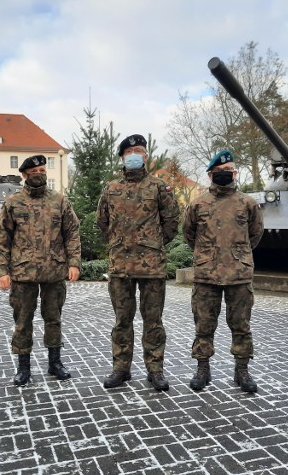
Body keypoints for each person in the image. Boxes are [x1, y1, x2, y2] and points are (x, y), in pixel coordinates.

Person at [96, 134, 180, 391]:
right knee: (122, 321)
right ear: (122, 156)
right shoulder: (111, 189)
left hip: (151, 266)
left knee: (153, 321)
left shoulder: (158, 187)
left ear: (146, 156)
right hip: (120, 266)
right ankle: (121, 369)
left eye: (139, 150)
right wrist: (119, 244)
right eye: (130, 150)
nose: (135, 154)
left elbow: (172, 221)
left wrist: (152, 244)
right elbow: (102, 223)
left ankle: (155, 370)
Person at [0, 154, 81, 386]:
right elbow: (2, 238)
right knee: (23, 320)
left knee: (53, 318)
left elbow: (71, 233)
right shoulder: (13, 202)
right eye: (34, 172)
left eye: (42, 171)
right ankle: (23, 367)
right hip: (23, 273)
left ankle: (55, 363)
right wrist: (2, 270)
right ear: (24, 175)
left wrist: (74, 263)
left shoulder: (59, 201)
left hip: (54, 271)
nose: (39, 175)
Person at [182, 149, 264, 392]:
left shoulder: (247, 203)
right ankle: (202, 369)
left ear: (235, 173)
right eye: (219, 172)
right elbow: (189, 234)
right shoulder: (197, 204)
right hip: (206, 275)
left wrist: (238, 255)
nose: (224, 175)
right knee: (204, 326)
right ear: (210, 175)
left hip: (238, 274)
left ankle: (242, 370)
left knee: (241, 325)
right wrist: (207, 255)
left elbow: (255, 234)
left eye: (228, 171)